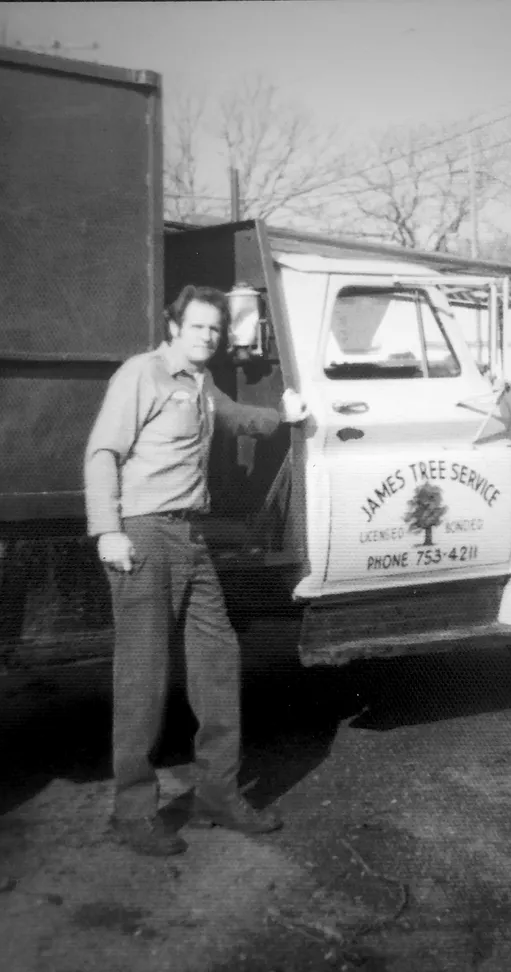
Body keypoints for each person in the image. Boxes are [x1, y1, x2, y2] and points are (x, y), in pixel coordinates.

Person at [84, 284, 309, 857]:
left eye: (214, 329)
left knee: (218, 660)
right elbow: (103, 452)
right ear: (174, 328)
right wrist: (107, 529)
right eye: (198, 327)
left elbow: (233, 419)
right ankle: (131, 813)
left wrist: (282, 414)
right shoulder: (144, 374)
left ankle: (216, 796)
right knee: (143, 677)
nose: (207, 337)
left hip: (191, 537)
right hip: (143, 536)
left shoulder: (202, 383)